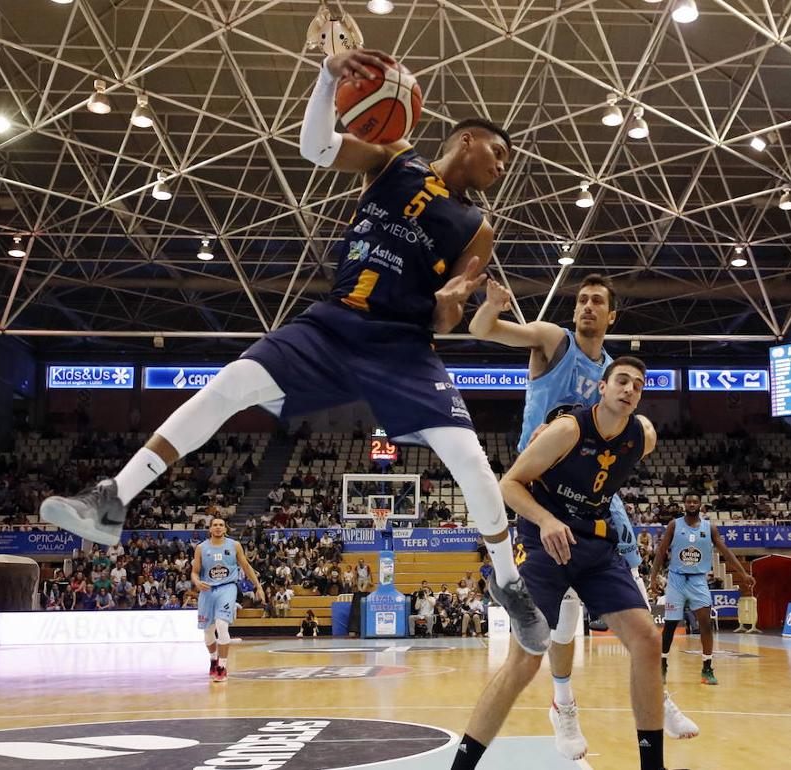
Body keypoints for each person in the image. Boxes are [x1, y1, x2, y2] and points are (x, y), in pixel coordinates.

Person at [37, 46, 548, 656]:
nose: (501, 167)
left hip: (403, 345)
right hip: (334, 323)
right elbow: (317, 147)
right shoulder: (393, 160)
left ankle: (509, 583)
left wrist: (454, 295)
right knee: (228, 385)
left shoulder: (478, 229)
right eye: (498, 154)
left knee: (469, 460)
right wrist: (326, 78)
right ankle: (113, 497)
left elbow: (447, 317)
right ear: (467, 139)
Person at [450, 358, 688, 770]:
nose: (629, 389)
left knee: (647, 641)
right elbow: (509, 484)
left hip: (595, 544)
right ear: (602, 387)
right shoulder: (568, 430)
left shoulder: (642, 434)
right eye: (621, 381)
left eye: (638, 384)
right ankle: (463, 765)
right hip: (545, 544)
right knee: (526, 659)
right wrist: (545, 519)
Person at [469, 273, 650, 758]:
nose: (588, 307)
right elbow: (484, 330)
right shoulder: (555, 339)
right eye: (582, 300)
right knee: (552, 628)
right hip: (540, 483)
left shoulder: (617, 372)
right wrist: (492, 306)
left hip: (587, 491)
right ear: (575, 311)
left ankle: (652, 693)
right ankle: (564, 704)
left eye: (598, 302)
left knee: (629, 591)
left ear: (612, 316)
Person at [650, 493, 753, 687]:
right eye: (688, 501)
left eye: (695, 501)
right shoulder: (674, 525)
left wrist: (743, 573)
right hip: (676, 579)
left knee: (705, 623)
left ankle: (707, 668)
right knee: (670, 625)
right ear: (684, 504)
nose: (691, 504)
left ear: (700, 505)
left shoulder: (710, 528)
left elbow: (725, 551)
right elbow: (662, 550)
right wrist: (654, 577)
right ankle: (662, 665)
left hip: (698, 580)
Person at [192, 516, 264, 682]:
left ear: (225, 529)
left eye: (221, 525)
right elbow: (195, 571)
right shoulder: (201, 548)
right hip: (207, 589)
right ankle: (213, 659)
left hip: (227, 587)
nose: (218, 527)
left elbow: (246, 566)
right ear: (210, 529)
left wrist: (258, 586)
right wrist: (196, 581)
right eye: (215, 525)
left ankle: (222, 666)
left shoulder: (234, 545)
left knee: (222, 625)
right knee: (208, 631)